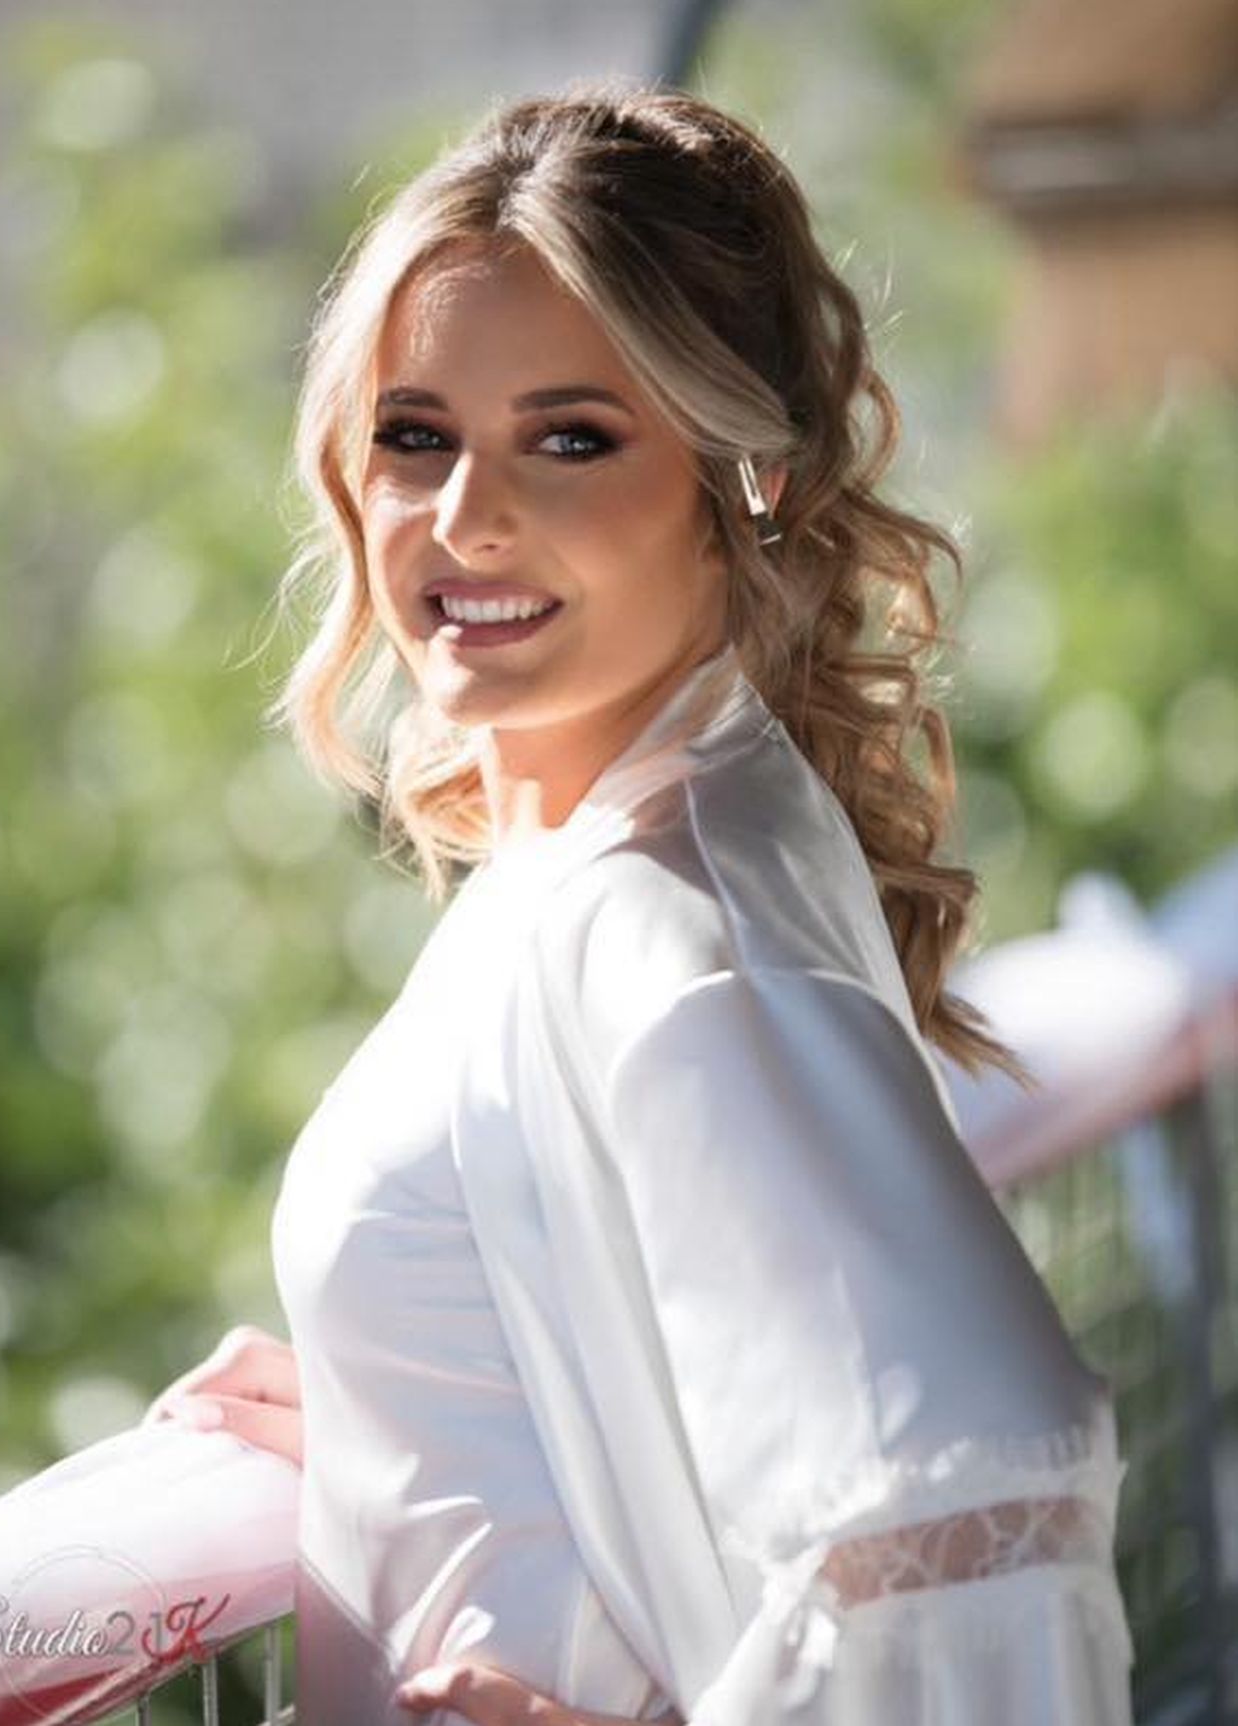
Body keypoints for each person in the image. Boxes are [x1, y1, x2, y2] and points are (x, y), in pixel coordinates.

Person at [141, 78, 1136, 1726]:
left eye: (570, 438)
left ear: (741, 474)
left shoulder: (664, 919)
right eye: (415, 436)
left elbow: (983, 1500)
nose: (464, 517)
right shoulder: (620, 841)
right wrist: (423, 1385)